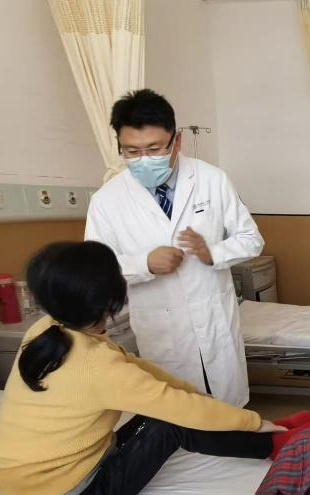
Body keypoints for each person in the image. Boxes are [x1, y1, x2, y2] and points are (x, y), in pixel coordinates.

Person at [0, 242, 310, 495]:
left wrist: (200, 397)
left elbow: (141, 370)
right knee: (171, 422)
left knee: (168, 412)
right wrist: (254, 422)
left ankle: (266, 439)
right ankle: (274, 443)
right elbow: (180, 409)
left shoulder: (45, 329)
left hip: (24, 487)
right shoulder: (97, 366)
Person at [85, 89, 263, 408]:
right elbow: (96, 271)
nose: (144, 159)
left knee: (229, 411)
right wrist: (144, 264)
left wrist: (213, 253)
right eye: (132, 151)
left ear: (176, 141)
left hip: (214, 321)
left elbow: (251, 239)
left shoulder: (212, 179)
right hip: (161, 331)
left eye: (154, 149)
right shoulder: (106, 201)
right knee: (178, 414)